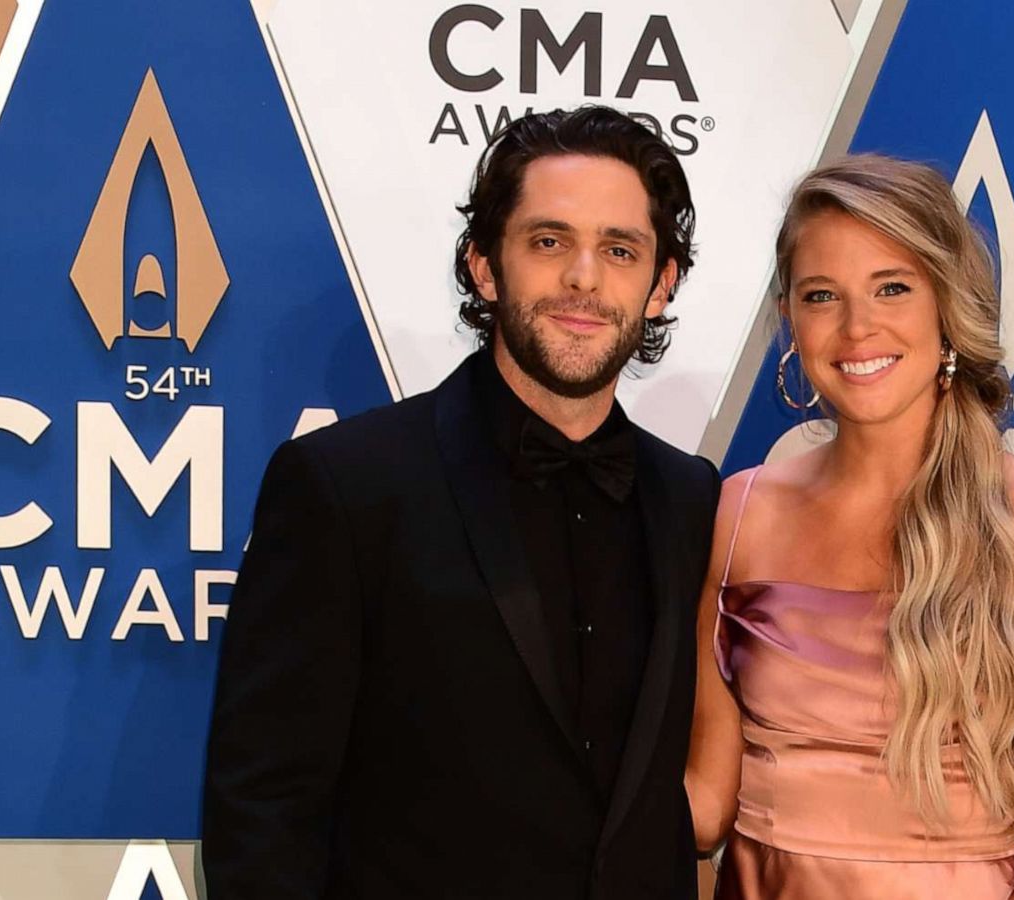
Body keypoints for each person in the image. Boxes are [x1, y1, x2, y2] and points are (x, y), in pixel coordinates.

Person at [202, 106, 720, 900]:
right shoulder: (345, 484)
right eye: (549, 242)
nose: (584, 277)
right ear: (484, 267)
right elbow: (264, 805)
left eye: (620, 250)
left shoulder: (690, 497)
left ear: (661, 285)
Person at [684, 155, 1014, 899]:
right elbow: (705, 807)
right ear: (790, 319)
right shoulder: (737, 513)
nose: (858, 328)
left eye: (892, 288)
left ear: (945, 305)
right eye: (822, 295)